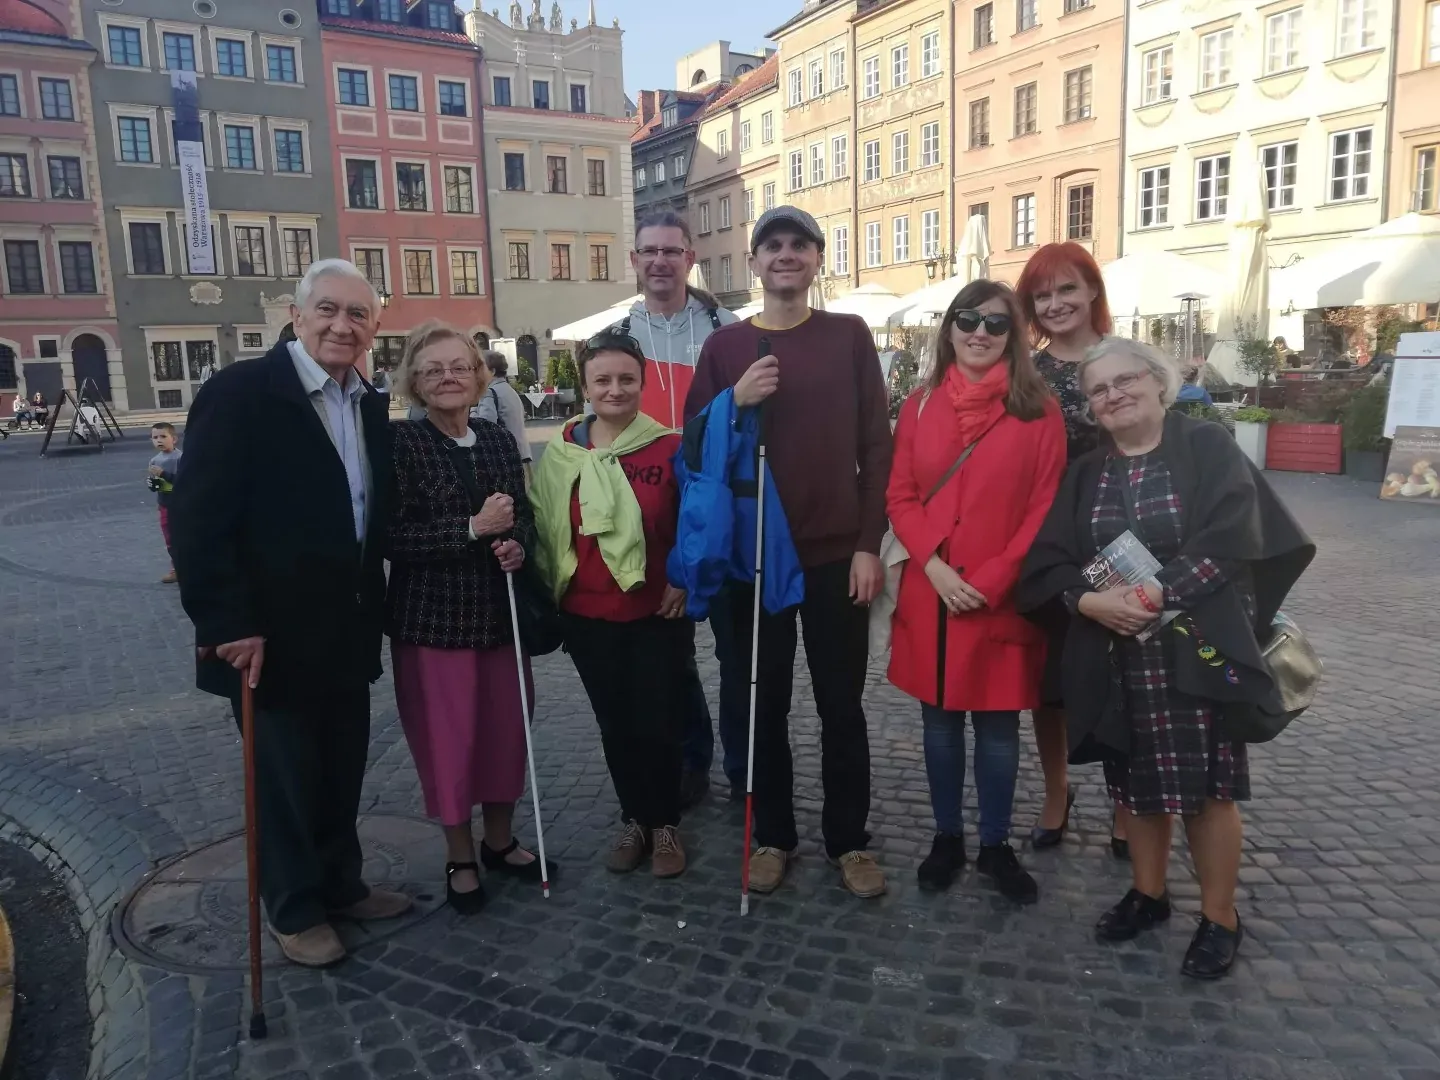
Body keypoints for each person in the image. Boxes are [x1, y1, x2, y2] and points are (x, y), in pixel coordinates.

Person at [1017, 338, 1313, 979]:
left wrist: (1158, 591)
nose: (1113, 395)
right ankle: (1148, 896)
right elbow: (1050, 559)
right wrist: (1088, 602)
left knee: (1208, 792)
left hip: (1194, 648)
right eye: (1098, 390)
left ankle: (1219, 917)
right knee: (1134, 785)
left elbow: (1234, 534)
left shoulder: (1204, 447)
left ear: (1157, 383)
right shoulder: (1087, 473)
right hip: (1118, 656)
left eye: (1125, 381)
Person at [170, 259, 410, 968]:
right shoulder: (242, 393)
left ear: (374, 327)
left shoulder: (366, 401)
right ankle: (294, 907)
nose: (343, 325)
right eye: (328, 311)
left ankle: (340, 884)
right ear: (298, 318)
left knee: (340, 770)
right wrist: (224, 624)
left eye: (358, 314)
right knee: (283, 781)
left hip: (345, 626)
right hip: (265, 637)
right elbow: (198, 518)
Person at [684, 206, 893, 899]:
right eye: (772, 245)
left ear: (815, 259)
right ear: (754, 263)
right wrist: (734, 401)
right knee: (760, 701)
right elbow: (694, 449)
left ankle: (848, 841)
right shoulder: (724, 348)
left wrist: (870, 545)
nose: (785, 255)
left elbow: (876, 445)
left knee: (842, 704)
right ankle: (772, 834)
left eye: (799, 245)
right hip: (754, 558)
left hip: (836, 553)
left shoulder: (848, 335)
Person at [886, 281, 1065, 901]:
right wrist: (932, 566)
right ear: (949, 329)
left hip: (999, 594)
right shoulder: (918, 406)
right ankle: (946, 837)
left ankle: (994, 844)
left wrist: (992, 578)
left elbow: (1044, 508)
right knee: (939, 725)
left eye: (995, 323)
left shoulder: (1039, 412)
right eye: (968, 320)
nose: (980, 333)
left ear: (1014, 335)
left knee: (996, 727)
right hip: (931, 591)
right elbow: (900, 494)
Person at [386, 322, 551, 914]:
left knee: (509, 733)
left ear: (480, 375)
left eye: (460, 367)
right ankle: (460, 855)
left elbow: (525, 518)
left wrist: (517, 546)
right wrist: (470, 530)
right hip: (434, 624)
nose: (449, 378)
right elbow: (390, 537)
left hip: (501, 617)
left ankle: (501, 841)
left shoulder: (497, 439)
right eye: (433, 370)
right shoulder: (401, 445)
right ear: (415, 383)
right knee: (450, 744)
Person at [530, 329, 690, 877]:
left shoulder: (670, 446)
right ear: (586, 384)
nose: (615, 389)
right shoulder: (564, 450)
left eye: (626, 379)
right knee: (614, 722)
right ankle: (634, 818)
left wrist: (685, 578)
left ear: (643, 383)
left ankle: (666, 822)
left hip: (654, 612)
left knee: (658, 719)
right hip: (585, 614)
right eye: (603, 379)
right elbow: (546, 520)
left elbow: (696, 522)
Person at [616, 210, 744, 810]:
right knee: (669, 649)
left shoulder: (725, 329)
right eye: (650, 251)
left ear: (690, 257)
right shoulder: (619, 336)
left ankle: (744, 762)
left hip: (712, 502)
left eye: (672, 250)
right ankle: (691, 755)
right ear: (635, 259)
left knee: (731, 642)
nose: (660, 260)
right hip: (646, 505)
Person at [1014, 240, 1128, 856]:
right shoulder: (1025, 372)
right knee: (1048, 682)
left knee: (1119, 676)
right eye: (1042, 294)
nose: (1055, 304)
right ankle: (1057, 791)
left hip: (1118, 539)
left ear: (1091, 293)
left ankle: (1123, 801)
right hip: (1048, 543)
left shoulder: (1122, 362)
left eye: (1066, 289)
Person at [471, 350, 533, 483]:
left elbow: (483, 427)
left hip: (505, 460)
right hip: (522, 455)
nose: (477, 373)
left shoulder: (490, 392)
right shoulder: (510, 391)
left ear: (492, 371)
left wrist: (472, 409)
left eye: (480, 368)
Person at [147, 422, 182, 584]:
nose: (159, 440)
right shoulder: (154, 460)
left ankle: (188, 568)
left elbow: (184, 481)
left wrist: (164, 474)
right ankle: (176, 569)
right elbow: (156, 485)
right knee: (170, 539)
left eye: (163, 436)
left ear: (174, 439)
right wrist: (152, 484)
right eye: (155, 437)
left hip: (181, 504)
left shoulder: (181, 458)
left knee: (182, 537)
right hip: (164, 505)